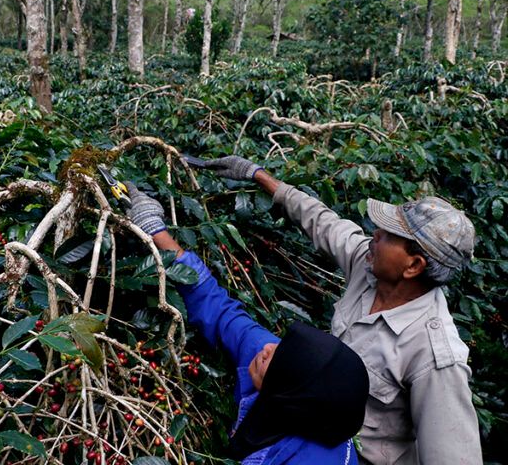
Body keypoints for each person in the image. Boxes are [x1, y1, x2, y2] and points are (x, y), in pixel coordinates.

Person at [199, 155, 483, 465]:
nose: (374, 235)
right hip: (310, 413)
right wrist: (259, 176)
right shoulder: (371, 264)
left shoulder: (436, 357)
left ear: (414, 266)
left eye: (389, 235)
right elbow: (324, 223)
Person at [124, 181, 370, 464]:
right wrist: (156, 231)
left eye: (277, 362)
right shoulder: (275, 360)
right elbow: (219, 308)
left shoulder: (311, 457)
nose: (266, 349)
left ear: (288, 398)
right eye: (282, 346)